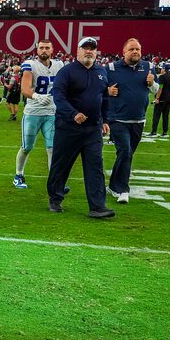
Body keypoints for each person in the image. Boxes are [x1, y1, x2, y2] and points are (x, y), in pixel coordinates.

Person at [46, 37, 115, 218]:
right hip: (68, 127)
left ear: (96, 52)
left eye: (92, 48)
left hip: (93, 129)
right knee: (62, 165)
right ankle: (55, 198)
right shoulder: (66, 72)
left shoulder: (101, 72)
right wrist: (73, 114)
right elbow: (58, 96)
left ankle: (97, 206)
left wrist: (106, 120)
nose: (89, 51)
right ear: (78, 51)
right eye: (85, 48)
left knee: (95, 167)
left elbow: (104, 98)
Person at [105, 38, 157, 204]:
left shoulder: (148, 67)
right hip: (118, 119)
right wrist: (107, 90)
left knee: (126, 154)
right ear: (124, 52)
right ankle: (123, 189)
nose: (135, 52)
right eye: (132, 49)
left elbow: (156, 89)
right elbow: (99, 88)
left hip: (139, 119)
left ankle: (113, 185)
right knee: (125, 151)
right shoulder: (111, 68)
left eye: (138, 49)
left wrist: (152, 83)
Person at [13, 39, 64, 188]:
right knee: (27, 147)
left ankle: (54, 181)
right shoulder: (30, 65)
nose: (44, 50)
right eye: (41, 47)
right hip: (33, 112)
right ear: (37, 50)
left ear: (52, 50)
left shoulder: (59, 65)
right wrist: (36, 96)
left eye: (47, 48)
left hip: (51, 112)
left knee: (52, 148)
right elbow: (25, 88)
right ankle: (18, 174)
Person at [146, 64, 170, 137]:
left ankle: (154, 132)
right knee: (165, 117)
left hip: (161, 99)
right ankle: (165, 132)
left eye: (162, 69)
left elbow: (160, 88)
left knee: (156, 116)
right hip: (168, 99)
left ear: (164, 69)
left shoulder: (162, 77)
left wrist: (157, 98)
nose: (161, 70)